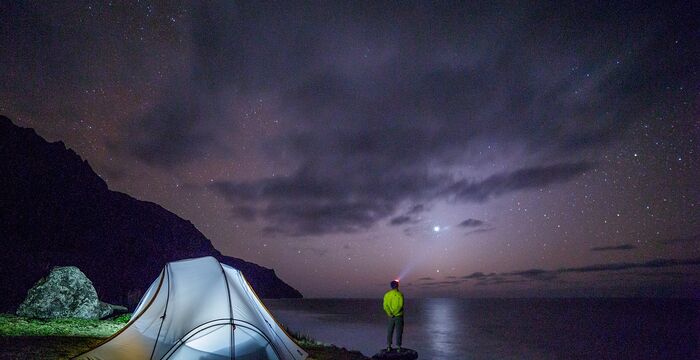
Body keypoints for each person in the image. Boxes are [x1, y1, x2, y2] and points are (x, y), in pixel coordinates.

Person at [383, 280, 404, 352]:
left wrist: (390, 313)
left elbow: (385, 306)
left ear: (391, 286)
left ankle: (388, 346)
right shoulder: (400, 294)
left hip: (390, 316)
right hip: (398, 316)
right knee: (399, 331)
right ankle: (398, 347)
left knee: (390, 330)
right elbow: (400, 305)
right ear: (397, 286)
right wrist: (395, 313)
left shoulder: (387, 294)